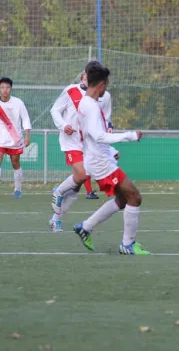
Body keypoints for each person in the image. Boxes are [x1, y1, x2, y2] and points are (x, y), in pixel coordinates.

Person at [63, 61, 148, 254]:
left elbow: (93, 136)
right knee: (134, 197)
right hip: (100, 162)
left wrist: (110, 150)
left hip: (99, 158)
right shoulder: (91, 107)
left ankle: (85, 227)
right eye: (106, 85)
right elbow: (99, 135)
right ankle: (127, 244)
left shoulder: (86, 103)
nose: (106, 89)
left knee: (122, 199)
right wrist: (130, 136)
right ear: (101, 84)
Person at [49, 71, 117, 232]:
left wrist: (108, 132)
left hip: (90, 143)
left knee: (77, 185)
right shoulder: (71, 90)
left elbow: (105, 119)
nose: (90, 81)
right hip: (71, 142)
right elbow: (55, 110)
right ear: (82, 79)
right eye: (87, 78)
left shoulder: (105, 96)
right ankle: (58, 191)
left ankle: (55, 219)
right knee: (82, 174)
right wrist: (63, 125)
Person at [0, 77, 31, 199]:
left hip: (15, 138)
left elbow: (26, 119)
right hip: (1, 138)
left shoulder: (18, 102)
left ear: (11, 89)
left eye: (7, 87)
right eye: (2, 87)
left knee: (15, 162)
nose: (5, 90)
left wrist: (27, 135)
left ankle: (18, 189)